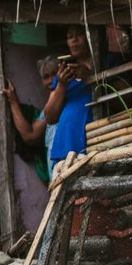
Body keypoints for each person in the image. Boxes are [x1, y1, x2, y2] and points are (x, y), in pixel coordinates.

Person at [44, 25, 94, 171]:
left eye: (79, 34)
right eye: (70, 36)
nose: (74, 40)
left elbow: (126, 99)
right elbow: (50, 117)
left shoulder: (107, 61)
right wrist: (61, 85)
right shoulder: (64, 72)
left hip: (98, 140)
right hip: (67, 145)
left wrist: (91, 77)